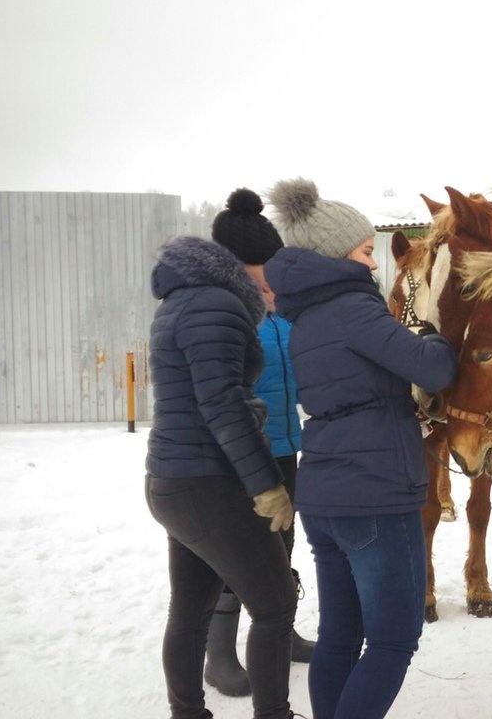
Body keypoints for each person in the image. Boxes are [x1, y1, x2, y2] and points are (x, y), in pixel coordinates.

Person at [264, 177, 456, 719]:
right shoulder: (354, 308)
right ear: (337, 252)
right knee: (394, 641)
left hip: (324, 496)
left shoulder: (302, 318)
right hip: (377, 496)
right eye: (367, 251)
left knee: (341, 638)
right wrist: (435, 331)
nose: (374, 265)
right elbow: (433, 366)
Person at [145, 195, 299, 719]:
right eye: (268, 267)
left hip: (173, 478)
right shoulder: (219, 305)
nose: (272, 279)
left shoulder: (181, 300)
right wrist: (266, 485)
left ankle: (188, 713)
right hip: (210, 483)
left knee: (189, 610)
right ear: (244, 262)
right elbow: (223, 405)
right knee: (276, 606)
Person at [201, 190, 317, 699]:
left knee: (280, 546)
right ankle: (219, 654)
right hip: (235, 457)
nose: (268, 283)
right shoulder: (223, 316)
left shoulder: (280, 315)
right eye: (258, 273)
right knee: (235, 556)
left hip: (284, 447)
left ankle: (281, 630)